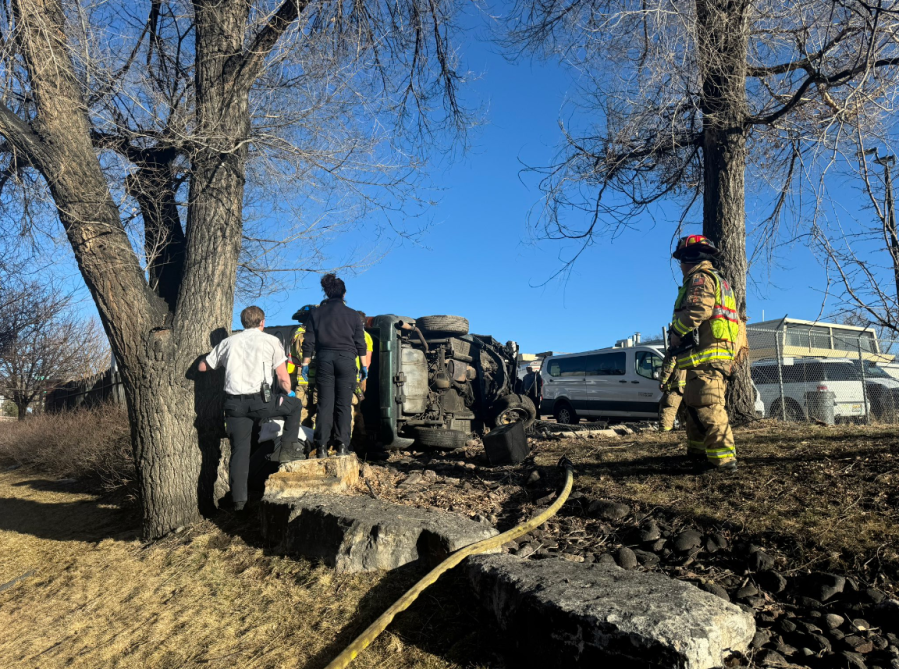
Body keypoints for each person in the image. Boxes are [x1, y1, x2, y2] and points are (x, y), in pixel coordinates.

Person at [199, 305, 305, 510]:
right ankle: (287, 450)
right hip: (261, 401)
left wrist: (203, 359)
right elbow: (283, 378)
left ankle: (239, 501)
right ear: (262, 322)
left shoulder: (228, 342)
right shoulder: (271, 341)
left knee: (240, 450)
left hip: (234, 404)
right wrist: (288, 393)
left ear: (243, 322)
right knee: (295, 406)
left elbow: (204, 367)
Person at [668, 234, 740, 471]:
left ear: (688, 258)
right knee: (695, 407)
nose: (680, 266)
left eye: (680, 261)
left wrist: (676, 334)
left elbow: (697, 311)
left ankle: (724, 460)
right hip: (706, 357)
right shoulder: (718, 280)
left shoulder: (700, 279)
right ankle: (698, 454)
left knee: (709, 406)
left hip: (708, 356)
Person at [301, 274, 367, 458]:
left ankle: (321, 446)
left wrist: (305, 364)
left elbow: (309, 341)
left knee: (325, 404)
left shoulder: (315, 313)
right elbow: (360, 343)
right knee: (344, 405)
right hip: (346, 360)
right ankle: (342, 446)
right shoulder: (353, 315)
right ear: (344, 294)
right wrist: (363, 366)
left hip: (324, 360)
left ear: (326, 293)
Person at [288, 304, 317, 432]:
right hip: (305, 383)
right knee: (304, 414)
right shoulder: (302, 335)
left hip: (308, 381)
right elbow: (304, 356)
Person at [350, 310, 374, 448]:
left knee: (353, 409)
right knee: (356, 408)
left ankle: (356, 439)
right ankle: (359, 439)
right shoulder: (367, 337)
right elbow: (368, 361)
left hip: (354, 376)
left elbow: (367, 361)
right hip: (359, 376)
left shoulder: (349, 334)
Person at [658, 352, 686, 433]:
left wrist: (662, 381)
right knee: (685, 409)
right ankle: (684, 429)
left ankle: (664, 432)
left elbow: (668, 367)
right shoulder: (688, 349)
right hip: (687, 386)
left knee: (668, 408)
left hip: (674, 386)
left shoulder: (674, 351)